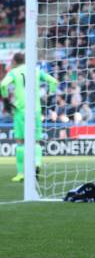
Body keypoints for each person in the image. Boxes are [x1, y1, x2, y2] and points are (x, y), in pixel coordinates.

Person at [0, 52, 57, 182]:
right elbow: (53, 81)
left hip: (20, 111)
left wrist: (6, 100)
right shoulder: (36, 70)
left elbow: (3, 85)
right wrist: (50, 93)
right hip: (35, 111)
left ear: (14, 61)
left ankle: (21, 173)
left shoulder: (14, 72)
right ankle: (36, 163)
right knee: (35, 141)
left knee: (20, 141)